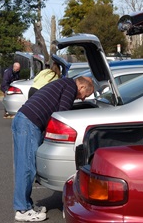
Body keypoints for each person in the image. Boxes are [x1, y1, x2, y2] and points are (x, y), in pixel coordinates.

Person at [11, 76, 94, 222]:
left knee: (24, 164)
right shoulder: (70, 87)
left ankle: (26, 205)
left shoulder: (65, 83)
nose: (82, 99)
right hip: (29, 123)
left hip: (25, 119)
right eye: (85, 95)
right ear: (81, 87)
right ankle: (22, 209)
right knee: (27, 167)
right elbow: (62, 114)